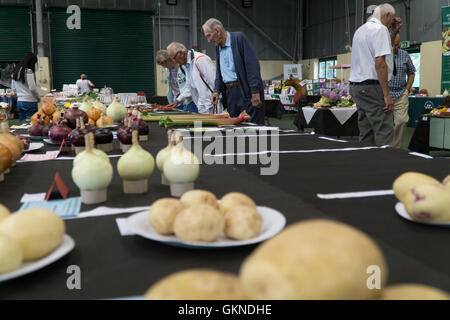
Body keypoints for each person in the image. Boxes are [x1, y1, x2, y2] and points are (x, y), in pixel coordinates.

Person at [349, 3, 402, 146]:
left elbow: (380, 48)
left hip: (356, 87)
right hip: (372, 87)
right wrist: (386, 94)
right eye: (392, 20)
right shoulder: (380, 29)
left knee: (366, 131)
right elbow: (380, 63)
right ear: (387, 15)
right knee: (384, 129)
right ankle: (384, 165)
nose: (392, 23)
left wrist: (394, 32)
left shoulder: (360, 30)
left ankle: (365, 163)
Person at [202, 18, 265, 125]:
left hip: (245, 92)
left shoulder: (239, 39)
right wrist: (216, 90)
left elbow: (252, 66)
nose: (209, 40)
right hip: (230, 94)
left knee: (252, 127)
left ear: (217, 30)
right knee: (234, 129)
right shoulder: (218, 47)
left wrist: (255, 91)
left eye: (209, 36)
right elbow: (220, 71)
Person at [167, 42, 216, 114]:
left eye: (174, 58)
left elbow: (214, 81)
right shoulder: (187, 65)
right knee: (201, 125)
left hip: (212, 105)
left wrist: (216, 100)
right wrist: (178, 100)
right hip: (202, 106)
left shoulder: (200, 60)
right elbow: (189, 87)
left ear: (180, 53)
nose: (175, 61)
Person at [389, 33, 416, 148]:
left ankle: (395, 148)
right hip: (385, 94)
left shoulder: (404, 55)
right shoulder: (382, 55)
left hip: (401, 93)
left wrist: (407, 89)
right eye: (392, 45)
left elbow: (411, 72)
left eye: (397, 45)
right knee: (384, 124)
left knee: (401, 121)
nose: (395, 48)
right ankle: (382, 148)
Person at [10, 52, 40, 121]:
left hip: (20, 102)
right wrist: (38, 98)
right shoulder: (29, 72)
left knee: (22, 124)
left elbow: (13, 89)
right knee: (31, 124)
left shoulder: (15, 71)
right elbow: (32, 88)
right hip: (30, 101)